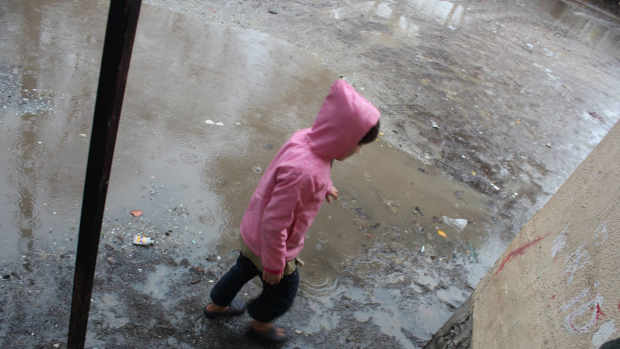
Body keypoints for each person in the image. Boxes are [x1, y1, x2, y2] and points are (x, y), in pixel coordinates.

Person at [203, 79, 381, 343]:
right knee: (283, 290)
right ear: (342, 138)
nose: (356, 151)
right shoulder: (306, 173)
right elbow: (276, 222)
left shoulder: (305, 139)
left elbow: (308, 170)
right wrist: (275, 264)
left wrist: (325, 187)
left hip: (252, 233)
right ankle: (260, 324)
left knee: (242, 269)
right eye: (357, 144)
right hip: (272, 246)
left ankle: (216, 306)